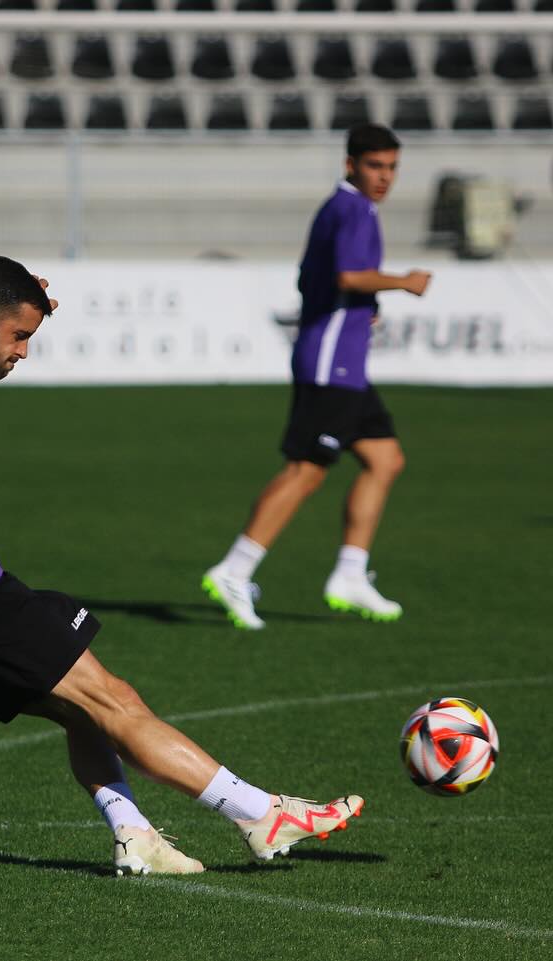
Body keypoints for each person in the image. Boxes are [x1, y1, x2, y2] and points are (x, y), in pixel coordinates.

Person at [0, 255, 364, 876]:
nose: (24, 351)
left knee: (79, 703)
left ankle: (134, 834)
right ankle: (259, 814)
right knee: (114, 701)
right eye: (19, 336)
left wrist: (24, 299)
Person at [201, 124, 431, 631]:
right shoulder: (351, 208)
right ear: (351, 165)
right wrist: (401, 283)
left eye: (392, 167)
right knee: (307, 469)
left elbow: (314, 278)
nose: (384, 177)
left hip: (345, 362)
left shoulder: (343, 210)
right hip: (331, 364)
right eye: (375, 166)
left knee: (385, 458)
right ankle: (235, 570)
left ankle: (350, 573)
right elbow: (347, 275)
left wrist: (361, 305)